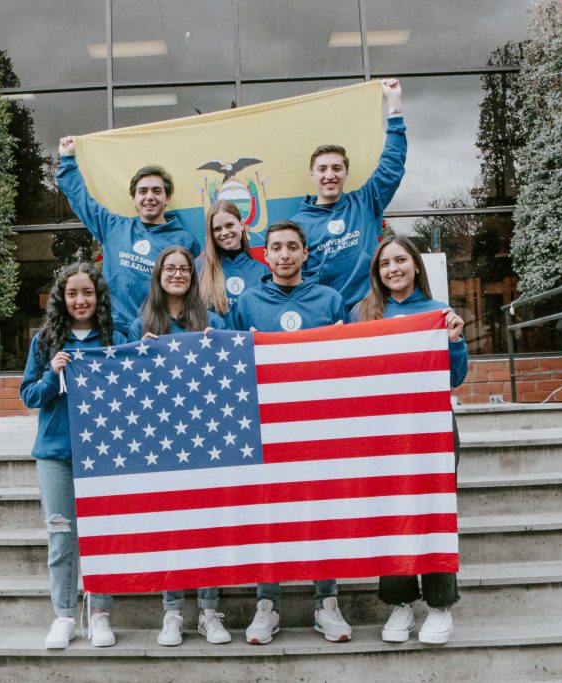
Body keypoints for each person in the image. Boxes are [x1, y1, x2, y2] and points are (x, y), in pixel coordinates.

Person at [228, 219, 351, 644]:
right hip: (266, 425)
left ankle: (326, 601)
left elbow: (351, 360)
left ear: (304, 253)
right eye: (276, 247)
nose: (283, 255)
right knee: (269, 512)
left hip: (318, 425)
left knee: (321, 510)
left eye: (291, 247)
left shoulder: (331, 300)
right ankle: (268, 603)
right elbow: (233, 364)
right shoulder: (247, 305)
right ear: (266, 254)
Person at [353, 234, 467, 645]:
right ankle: (400, 603)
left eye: (400, 260)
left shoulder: (439, 313)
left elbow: (455, 378)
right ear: (377, 273)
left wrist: (453, 342)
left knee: (433, 512)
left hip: (432, 429)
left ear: (416, 265)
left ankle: (439, 606)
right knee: (392, 515)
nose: (393, 269)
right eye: (385, 264)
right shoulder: (363, 314)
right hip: (383, 432)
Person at [127, 245, 230, 646]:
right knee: (172, 528)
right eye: (169, 268)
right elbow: (128, 382)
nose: (177, 274)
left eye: (184, 268)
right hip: (160, 441)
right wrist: (141, 355)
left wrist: (215, 346)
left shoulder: (211, 321)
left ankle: (209, 611)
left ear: (193, 276)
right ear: (158, 274)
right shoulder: (139, 325)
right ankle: (172, 612)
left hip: (205, 439)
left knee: (205, 528)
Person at [19, 262, 122, 650]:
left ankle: (99, 613)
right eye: (73, 293)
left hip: (103, 455)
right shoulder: (45, 341)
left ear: (99, 297)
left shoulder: (114, 337)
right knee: (62, 536)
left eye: (88, 292)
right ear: (62, 298)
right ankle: (63, 615)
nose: (81, 300)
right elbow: (29, 396)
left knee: (101, 537)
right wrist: (51, 373)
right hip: (55, 454)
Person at [57, 135, 201, 337]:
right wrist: (68, 160)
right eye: (142, 191)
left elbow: (192, 288)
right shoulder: (113, 227)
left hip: (154, 332)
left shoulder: (184, 240)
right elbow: (82, 201)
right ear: (133, 198)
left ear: (167, 198)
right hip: (109, 331)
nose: (149, 197)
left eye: (156, 191)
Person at [288, 78, 406, 310]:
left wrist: (394, 105)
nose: (329, 175)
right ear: (312, 175)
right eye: (322, 169)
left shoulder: (365, 202)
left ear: (346, 173)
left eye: (336, 168)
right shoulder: (296, 225)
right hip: (326, 318)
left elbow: (392, 165)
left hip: (372, 310)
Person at [197, 199, 269, 317]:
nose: (224, 232)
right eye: (217, 229)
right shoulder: (199, 268)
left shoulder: (262, 271)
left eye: (229, 225)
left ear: (241, 225)